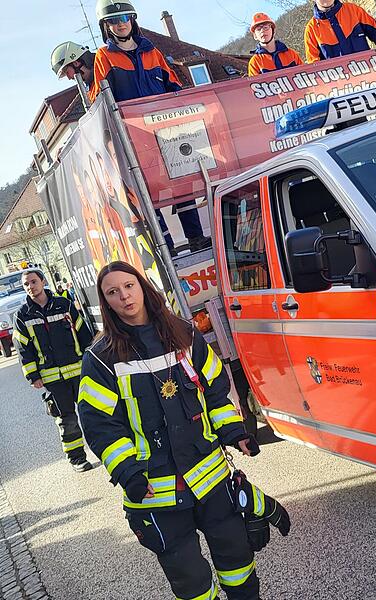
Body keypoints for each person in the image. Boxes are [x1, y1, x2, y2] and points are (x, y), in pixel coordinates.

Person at [78, 262, 289, 600]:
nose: (124, 296)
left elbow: (215, 390)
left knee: (237, 563)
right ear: (105, 302)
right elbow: (101, 425)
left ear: (142, 287)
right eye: (112, 292)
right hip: (155, 490)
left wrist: (235, 431)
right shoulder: (100, 358)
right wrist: (128, 472)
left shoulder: (185, 333)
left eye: (128, 286)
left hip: (211, 478)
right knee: (191, 582)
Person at [91, 1, 212, 253]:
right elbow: (100, 99)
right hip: (133, 136)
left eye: (125, 17)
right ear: (106, 26)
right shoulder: (104, 56)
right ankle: (164, 243)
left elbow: (173, 86)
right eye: (114, 20)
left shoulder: (152, 52)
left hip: (165, 130)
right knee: (146, 190)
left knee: (181, 181)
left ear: (133, 19)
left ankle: (195, 236)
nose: (121, 23)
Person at [12, 269, 93, 472]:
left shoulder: (64, 305)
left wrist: (91, 362)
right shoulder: (22, 315)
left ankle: (107, 451)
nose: (30, 286)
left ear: (43, 281)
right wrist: (33, 376)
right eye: (26, 284)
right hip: (52, 378)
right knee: (66, 420)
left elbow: (82, 331)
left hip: (79, 371)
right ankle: (77, 459)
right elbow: (23, 347)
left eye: (33, 281)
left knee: (93, 413)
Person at [304, 0, 376, 63]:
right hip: (342, 89)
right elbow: (314, 69)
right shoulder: (311, 30)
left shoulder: (353, 11)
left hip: (370, 77)